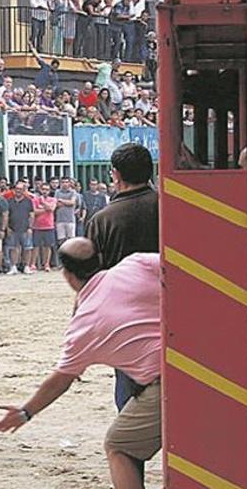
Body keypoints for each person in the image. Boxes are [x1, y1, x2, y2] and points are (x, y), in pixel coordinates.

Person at [0, 238, 161, 489]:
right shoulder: (136, 263)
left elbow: (61, 379)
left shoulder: (83, 326)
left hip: (164, 386)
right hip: (203, 360)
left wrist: (25, 412)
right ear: (99, 261)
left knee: (119, 446)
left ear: (67, 275)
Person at [85, 142, 158, 461]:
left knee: (128, 404)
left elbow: (91, 281)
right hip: (177, 316)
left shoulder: (103, 219)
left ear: (114, 175)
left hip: (127, 325)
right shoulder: (171, 205)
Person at [7, 181, 35, 275]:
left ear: (24, 190)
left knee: (27, 248)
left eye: (20, 189)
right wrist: (7, 227)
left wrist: (30, 227)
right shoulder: (9, 201)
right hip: (12, 228)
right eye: (17, 189)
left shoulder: (28, 201)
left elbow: (31, 215)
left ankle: (26, 266)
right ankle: (13, 267)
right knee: (13, 248)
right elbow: (6, 215)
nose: (18, 191)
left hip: (25, 228)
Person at [32, 183, 57, 272]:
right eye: (43, 189)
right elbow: (34, 212)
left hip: (49, 226)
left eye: (46, 189)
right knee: (36, 246)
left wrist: (43, 203)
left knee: (48, 246)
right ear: (40, 190)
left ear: (49, 191)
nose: (45, 191)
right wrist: (45, 209)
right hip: (37, 226)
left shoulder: (53, 199)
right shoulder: (35, 200)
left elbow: (52, 209)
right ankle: (33, 264)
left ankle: (46, 264)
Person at [54, 176, 81, 244]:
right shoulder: (57, 192)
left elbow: (72, 202)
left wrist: (61, 200)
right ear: (60, 183)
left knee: (71, 241)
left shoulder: (73, 192)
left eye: (66, 182)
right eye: (63, 182)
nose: (65, 184)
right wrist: (67, 202)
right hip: (60, 220)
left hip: (70, 220)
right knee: (61, 240)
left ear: (69, 183)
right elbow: (56, 203)